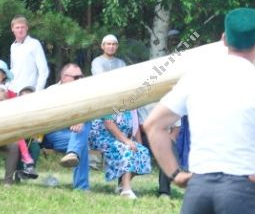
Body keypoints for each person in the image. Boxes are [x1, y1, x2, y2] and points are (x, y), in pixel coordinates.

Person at [143, 7, 255, 214]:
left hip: (199, 188)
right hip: (242, 190)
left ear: (224, 39)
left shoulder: (195, 79)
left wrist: (175, 174)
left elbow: (153, 125)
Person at [40, 63, 94, 191]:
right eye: (76, 78)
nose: (80, 80)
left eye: (81, 77)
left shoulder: (84, 93)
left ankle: (72, 152)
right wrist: (72, 122)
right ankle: (81, 187)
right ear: (64, 78)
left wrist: (80, 121)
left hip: (74, 134)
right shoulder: (52, 92)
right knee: (81, 142)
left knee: (86, 123)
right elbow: (47, 119)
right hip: (52, 133)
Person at [90, 108, 153, 198]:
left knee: (143, 152)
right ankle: (126, 190)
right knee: (126, 150)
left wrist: (139, 146)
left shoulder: (132, 108)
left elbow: (135, 127)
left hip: (119, 139)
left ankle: (121, 185)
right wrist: (126, 140)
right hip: (102, 137)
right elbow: (109, 123)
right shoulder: (115, 103)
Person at [8, 15, 48, 93]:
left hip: (29, 91)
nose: (20, 30)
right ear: (12, 29)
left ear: (27, 28)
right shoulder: (13, 46)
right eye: (17, 27)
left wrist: (38, 90)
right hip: (14, 91)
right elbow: (13, 69)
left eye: (22, 27)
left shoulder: (34, 44)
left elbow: (43, 70)